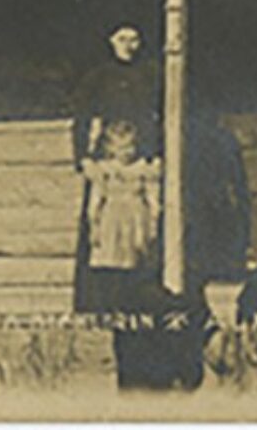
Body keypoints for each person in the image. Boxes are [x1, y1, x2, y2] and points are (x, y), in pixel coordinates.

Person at [72, 23, 162, 313]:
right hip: (106, 162)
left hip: (140, 161)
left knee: (141, 236)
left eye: (135, 39)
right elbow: (82, 120)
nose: (129, 45)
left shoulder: (151, 74)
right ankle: (97, 304)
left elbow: (161, 118)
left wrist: (157, 154)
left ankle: (141, 304)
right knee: (99, 231)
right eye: (123, 38)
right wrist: (84, 159)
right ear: (111, 41)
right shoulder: (98, 78)